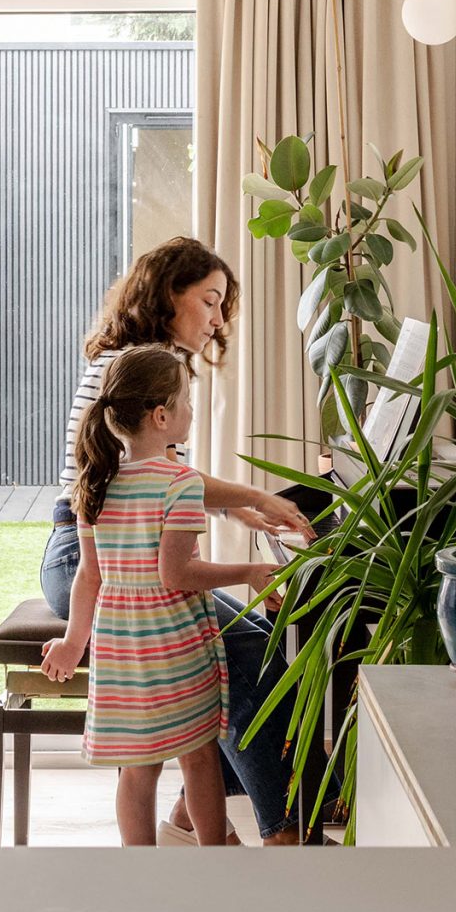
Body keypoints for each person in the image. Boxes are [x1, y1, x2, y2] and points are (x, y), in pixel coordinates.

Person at [40, 237, 313, 844]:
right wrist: (258, 499)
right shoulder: (135, 369)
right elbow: (145, 488)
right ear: (170, 295)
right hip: (88, 560)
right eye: (210, 301)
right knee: (248, 651)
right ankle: (280, 832)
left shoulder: (142, 365)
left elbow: (155, 482)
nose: (218, 320)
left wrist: (241, 512)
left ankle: (190, 820)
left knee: (258, 643)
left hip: (104, 552)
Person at [42, 348, 276, 845]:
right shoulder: (180, 483)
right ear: (162, 416)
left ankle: (139, 869)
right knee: (198, 757)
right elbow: (178, 574)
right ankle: (214, 856)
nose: (192, 410)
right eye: (187, 400)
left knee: (138, 767)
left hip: (120, 648)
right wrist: (250, 571)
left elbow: (90, 575)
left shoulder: (96, 483)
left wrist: (72, 642)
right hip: (172, 644)